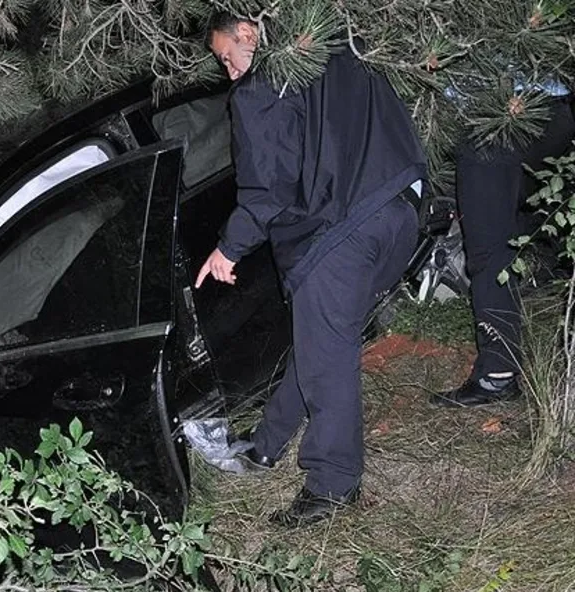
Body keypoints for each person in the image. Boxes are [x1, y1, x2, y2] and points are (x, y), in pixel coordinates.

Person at [198, 13, 427, 526]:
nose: (230, 73)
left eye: (227, 58)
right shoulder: (344, 41)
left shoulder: (261, 88)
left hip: (338, 228)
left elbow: (268, 187)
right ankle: (265, 445)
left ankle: (331, 485)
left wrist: (228, 250)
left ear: (248, 35)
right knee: (325, 341)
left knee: (328, 356)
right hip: (400, 208)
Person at [429, 83, 575, 407]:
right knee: (527, 211)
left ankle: (497, 375)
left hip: (493, 116)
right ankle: (542, 293)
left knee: (489, 245)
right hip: (554, 107)